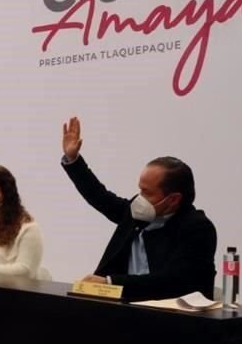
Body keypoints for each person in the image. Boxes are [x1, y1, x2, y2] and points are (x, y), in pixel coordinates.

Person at [61, 116, 217, 300]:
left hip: (171, 317)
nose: (140, 198)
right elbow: (99, 197)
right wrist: (73, 159)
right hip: (119, 309)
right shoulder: (138, 213)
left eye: (147, 192)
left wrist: (111, 283)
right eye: (140, 190)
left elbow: (173, 282)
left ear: (173, 199)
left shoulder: (197, 228)